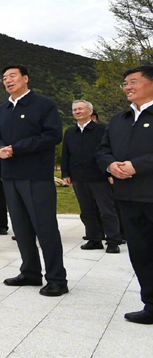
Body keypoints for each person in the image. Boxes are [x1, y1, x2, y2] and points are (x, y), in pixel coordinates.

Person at [0, 64, 67, 297]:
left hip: (36, 177)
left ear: (25, 78)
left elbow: (53, 135)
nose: (8, 80)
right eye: (4, 77)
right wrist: (0, 148)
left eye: (12, 76)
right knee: (21, 228)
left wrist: (17, 149)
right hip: (10, 176)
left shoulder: (43, 104)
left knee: (45, 228)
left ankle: (56, 279)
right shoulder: (3, 109)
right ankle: (31, 272)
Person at [97, 66, 153, 324]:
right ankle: (151, 305)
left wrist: (137, 166)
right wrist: (111, 165)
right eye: (125, 83)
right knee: (139, 253)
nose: (127, 87)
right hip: (128, 198)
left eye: (133, 82)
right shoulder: (119, 119)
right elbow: (102, 150)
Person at [62, 100, 120, 253]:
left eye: (80, 108)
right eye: (74, 109)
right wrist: (66, 173)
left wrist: (110, 172)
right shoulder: (69, 132)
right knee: (86, 211)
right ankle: (94, 239)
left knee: (106, 210)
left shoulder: (102, 130)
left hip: (99, 176)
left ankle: (113, 240)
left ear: (90, 111)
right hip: (78, 177)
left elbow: (109, 151)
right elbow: (65, 154)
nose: (77, 111)